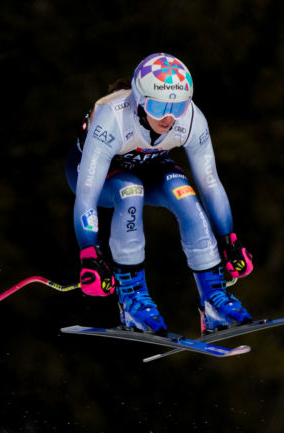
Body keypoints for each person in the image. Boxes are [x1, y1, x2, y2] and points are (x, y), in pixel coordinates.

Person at [65, 52, 254, 335]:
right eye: (158, 106)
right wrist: (90, 253)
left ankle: (215, 300)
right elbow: (87, 193)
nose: (168, 117)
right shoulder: (112, 118)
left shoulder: (191, 119)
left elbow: (210, 182)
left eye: (177, 107)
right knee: (131, 190)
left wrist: (229, 239)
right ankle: (132, 302)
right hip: (98, 175)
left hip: (150, 164)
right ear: (140, 101)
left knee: (184, 193)